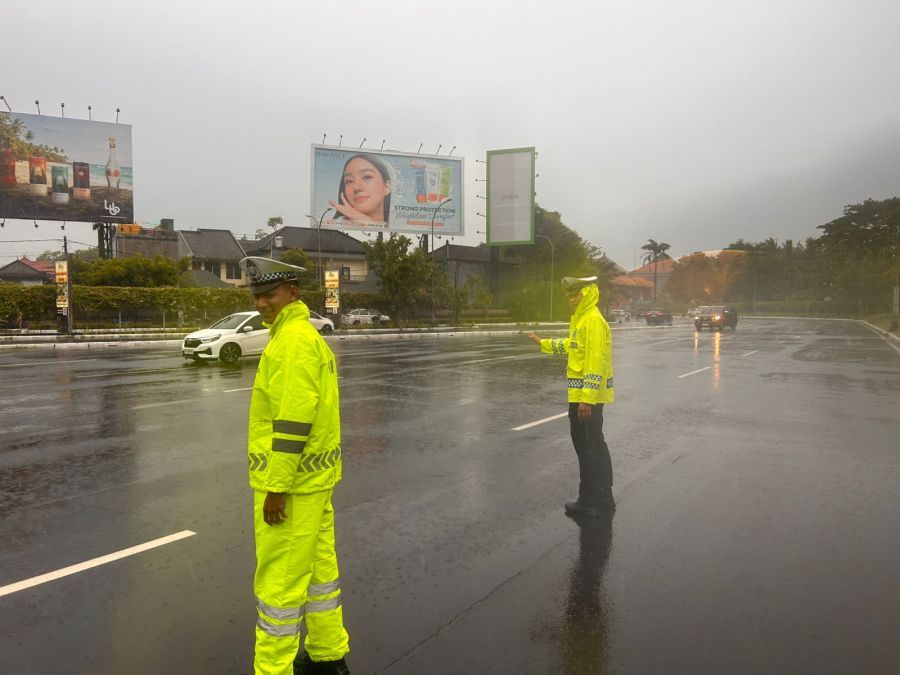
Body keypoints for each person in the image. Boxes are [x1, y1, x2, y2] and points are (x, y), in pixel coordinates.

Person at [239, 256, 350, 675]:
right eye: (257, 296)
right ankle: (328, 653)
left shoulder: (291, 342)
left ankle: (273, 669)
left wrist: (276, 488)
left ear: (292, 292)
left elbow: (291, 423)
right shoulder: (301, 336)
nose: (261, 303)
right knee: (320, 572)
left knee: (280, 586)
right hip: (314, 482)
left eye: (269, 294)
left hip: (292, 487)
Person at [528, 275, 616, 517]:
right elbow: (573, 346)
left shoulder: (592, 321)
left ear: (586, 294)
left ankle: (590, 501)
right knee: (595, 445)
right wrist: (544, 343)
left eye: (575, 295)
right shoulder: (583, 319)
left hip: (586, 400)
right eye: (569, 296)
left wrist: (586, 399)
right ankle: (604, 498)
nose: (571, 300)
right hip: (585, 398)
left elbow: (595, 362)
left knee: (587, 449)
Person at [329, 153, 391, 225]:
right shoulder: (333, 225)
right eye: (349, 181)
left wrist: (370, 224)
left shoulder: (397, 226)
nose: (356, 188)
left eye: (367, 177)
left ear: (387, 186)